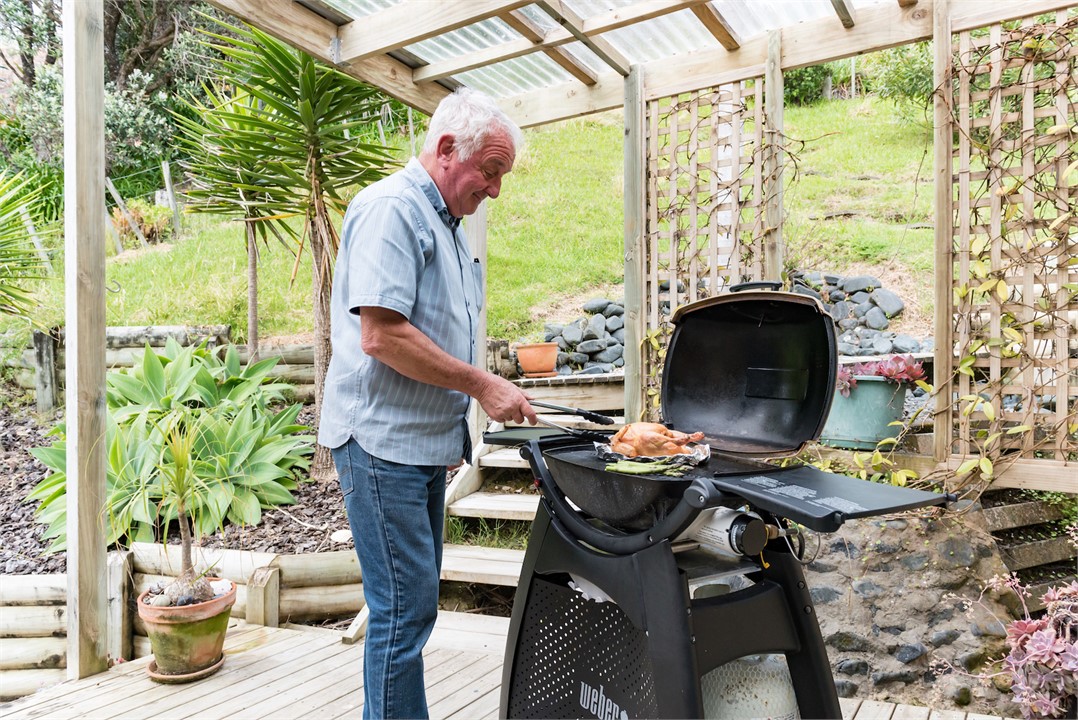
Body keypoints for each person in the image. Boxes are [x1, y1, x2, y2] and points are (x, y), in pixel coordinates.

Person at [318, 87, 537, 720]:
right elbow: (382, 335)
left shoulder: (445, 224)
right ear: (446, 149)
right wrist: (483, 386)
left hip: (414, 447)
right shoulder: (392, 209)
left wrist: (453, 429)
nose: (495, 189)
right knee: (401, 612)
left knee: (410, 609)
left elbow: (433, 329)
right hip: (380, 444)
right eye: (490, 171)